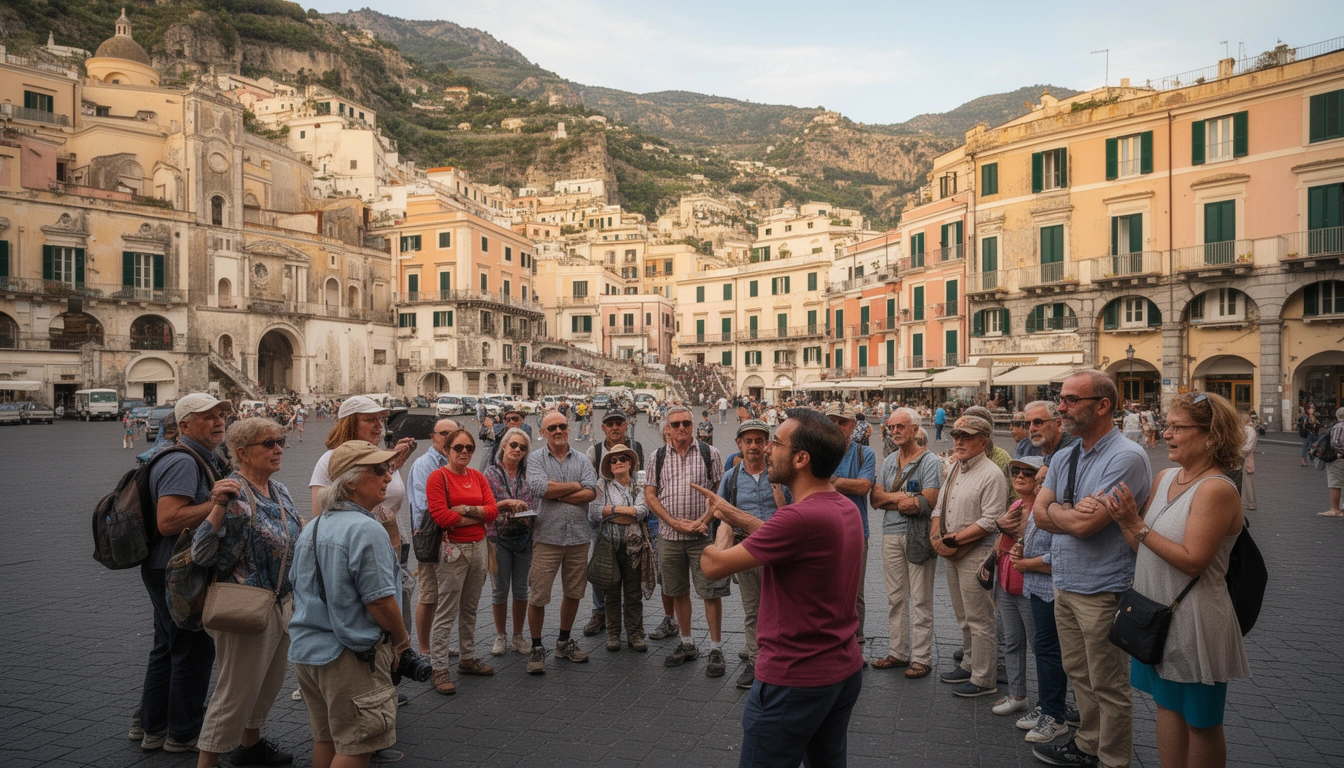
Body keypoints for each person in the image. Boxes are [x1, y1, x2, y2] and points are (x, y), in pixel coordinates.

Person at [700, 408, 864, 768]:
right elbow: (788, 539)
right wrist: (737, 514)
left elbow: (712, 566)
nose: (768, 449)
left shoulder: (798, 518)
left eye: (776, 442)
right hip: (841, 669)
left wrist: (722, 528)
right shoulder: (842, 507)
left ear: (801, 458)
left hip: (794, 677)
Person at [1102, 392, 1250, 768]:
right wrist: (1123, 521)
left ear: (1211, 436)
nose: (1166, 433)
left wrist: (1136, 524)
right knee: (1167, 707)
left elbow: (1193, 561)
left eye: (1177, 427)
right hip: (1158, 614)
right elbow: (1142, 548)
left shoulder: (1216, 488)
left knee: (1201, 721)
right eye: (1166, 425)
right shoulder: (1167, 476)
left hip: (1195, 619)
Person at [1031, 370, 1152, 768]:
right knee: (1078, 673)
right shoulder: (1066, 454)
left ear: (1103, 406)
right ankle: (1087, 744)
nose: (1060, 407)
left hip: (1102, 586)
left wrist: (1059, 512)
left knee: (1108, 682)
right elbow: (1038, 512)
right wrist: (1066, 511)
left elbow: (1086, 526)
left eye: (1070, 400)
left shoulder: (1127, 457)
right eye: (1060, 398)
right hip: (1065, 580)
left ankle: (1113, 759)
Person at [289, 440, 413, 768]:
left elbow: (297, 585)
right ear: (351, 481)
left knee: (327, 738)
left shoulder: (314, 527)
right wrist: (402, 642)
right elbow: (381, 603)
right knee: (357, 745)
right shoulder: (366, 528)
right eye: (379, 470)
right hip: (350, 657)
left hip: (309, 650)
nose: (388, 476)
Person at [191, 418, 301, 768]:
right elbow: (201, 552)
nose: (278, 448)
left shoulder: (278, 489)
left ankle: (250, 747)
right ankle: (207, 760)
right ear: (242, 453)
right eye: (268, 444)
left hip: (280, 603)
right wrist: (217, 507)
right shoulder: (234, 493)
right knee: (234, 693)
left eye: (279, 441)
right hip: (245, 605)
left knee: (266, 683)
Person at [137, 393, 234, 753]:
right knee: (193, 649)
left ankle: (152, 726)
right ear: (184, 426)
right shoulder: (182, 462)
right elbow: (168, 520)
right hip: (177, 567)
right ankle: (183, 732)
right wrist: (218, 502)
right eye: (207, 417)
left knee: (167, 646)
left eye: (221, 414)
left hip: (164, 565)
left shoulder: (194, 456)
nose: (218, 421)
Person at [693, 420, 788, 689]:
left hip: (780, 552)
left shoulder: (780, 473)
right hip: (747, 551)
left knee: (783, 608)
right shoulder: (731, 477)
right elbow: (721, 509)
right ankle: (757, 663)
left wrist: (779, 495)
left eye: (760, 440)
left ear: (767, 444)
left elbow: (795, 511)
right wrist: (711, 524)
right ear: (739, 444)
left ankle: (781, 660)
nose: (754, 446)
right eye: (749, 441)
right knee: (753, 610)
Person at [645, 404, 728, 677]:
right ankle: (687, 642)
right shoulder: (656, 456)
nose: (681, 428)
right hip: (669, 536)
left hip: (702, 537)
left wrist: (703, 521)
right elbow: (650, 496)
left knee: (709, 592)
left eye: (686, 423)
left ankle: (716, 647)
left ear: (693, 426)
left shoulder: (709, 453)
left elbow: (718, 492)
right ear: (666, 428)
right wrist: (673, 522)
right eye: (676, 424)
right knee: (678, 591)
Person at [930, 415, 1008, 698]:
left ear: (983, 441)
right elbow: (939, 503)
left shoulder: (992, 473)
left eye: (966, 436)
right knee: (963, 615)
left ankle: (984, 678)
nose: (959, 441)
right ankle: (969, 663)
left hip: (976, 552)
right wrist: (936, 535)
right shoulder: (954, 467)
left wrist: (953, 540)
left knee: (980, 617)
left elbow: (991, 520)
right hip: (953, 551)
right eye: (956, 435)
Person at [868, 407, 942, 679]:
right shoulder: (888, 462)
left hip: (918, 535)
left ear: (915, 429)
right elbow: (875, 501)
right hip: (890, 533)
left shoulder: (931, 461)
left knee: (921, 598)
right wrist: (904, 499)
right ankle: (898, 652)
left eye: (901, 427)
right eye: (892, 427)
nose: (895, 431)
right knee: (896, 597)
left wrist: (892, 497)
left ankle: (922, 657)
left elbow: (930, 499)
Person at [524, 411, 599, 673]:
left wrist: (559, 491)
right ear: (543, 432)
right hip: (547, 537)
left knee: (574, 592)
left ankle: (563, 642)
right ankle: (536, 647)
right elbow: (539, 488)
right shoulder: (535, 458)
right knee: (539, 594)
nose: (558, 431)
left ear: (569, 429)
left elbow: (591, 492)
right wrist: (574, 486)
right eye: (552, 427)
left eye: (563, 426)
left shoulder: (581, 458)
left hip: (578, 537)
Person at [426, 428, 498, 694]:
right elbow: (441, 517)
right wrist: (478, 516)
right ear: (447, 450)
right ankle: (439, 667)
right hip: (452, 549)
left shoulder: (478, 476)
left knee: (470, 607)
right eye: (458, 448)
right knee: (446, 609)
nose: (465, 452)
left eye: (469, 448)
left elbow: (492, 511)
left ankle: (467, 657)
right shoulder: (438, 477)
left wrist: (467, 511)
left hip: (479, 546)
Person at [1006, 455, 1073, 744]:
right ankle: (1049, 707)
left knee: (1051, 652)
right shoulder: (1036, 508)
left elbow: (1061, 555)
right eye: (1041, 482)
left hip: (1051, 588)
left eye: (1044, 481)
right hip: (1037, 588)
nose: (1040, 486)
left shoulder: (1057, 509)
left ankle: (1055, 713)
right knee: (1046, 650)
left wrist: (1027, 563)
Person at [583, 409, 648, 636]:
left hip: (631, 529)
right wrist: (618, 511)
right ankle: (599, 613)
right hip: (602, 526)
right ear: (603, 428)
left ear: (625, 425)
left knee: (631, 584)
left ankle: (631, 626)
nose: (614, 427)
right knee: (603, 569)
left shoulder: (637, 447)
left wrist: (616, 511)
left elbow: (641, 485)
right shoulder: (595, 450)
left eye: (618, 423)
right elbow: (592, 491)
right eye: (609, 424)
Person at [990, 457, 1039, 719]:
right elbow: (1002, 542)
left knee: (1038, 646)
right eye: (1016, 471)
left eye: (1028, 473)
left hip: (1030, 585)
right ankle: (1018, 695)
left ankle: (1047, 704)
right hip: (1007, 583)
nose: (1019, 476)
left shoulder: (1043, 509)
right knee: (1011, 642)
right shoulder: (1017, 504)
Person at [406, 418, 460, 658]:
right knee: (428, 594)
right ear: (433, 436)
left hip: (452, 534)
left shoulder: (456, 461)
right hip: (429, 534)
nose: (448, 438)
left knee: (446, 593)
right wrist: (461, 506)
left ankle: (439, 642)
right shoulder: (424, 464)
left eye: (453, 434)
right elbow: (427, 503)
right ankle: (425, 648)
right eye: (443, 433)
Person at [824, 403, 876, 644]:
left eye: (841, 422)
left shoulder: (865, 454)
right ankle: (829, 642)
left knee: (854, 591)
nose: (835, 427)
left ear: (853, 426)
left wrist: (830, 480)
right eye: (831, 422)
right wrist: (846, 483)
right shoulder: (817, 452)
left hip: (854, 532)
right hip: (821, 531)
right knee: (824, 589)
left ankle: (856, 641)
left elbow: (864, 487)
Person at [1016, 400, 1080, 466]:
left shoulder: (1074, 450)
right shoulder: (1025, 446)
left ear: (1058, 423)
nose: (1031, 429)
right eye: (1027, 424)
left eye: (1037, 422)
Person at [1321, 407, 1344, 518]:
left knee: (1335, 484)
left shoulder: (1339, 426)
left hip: (1338, 458)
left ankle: (1335, 509)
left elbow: (1335, 444)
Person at [1240, 415, 1257, 512]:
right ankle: (1249, 503)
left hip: (1245, 458)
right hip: (1247, 457)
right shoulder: (1249, 430)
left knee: (1247, 480)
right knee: (1247, 481)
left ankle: (1249, 503)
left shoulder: (1248, 430)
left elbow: (1247, 447)